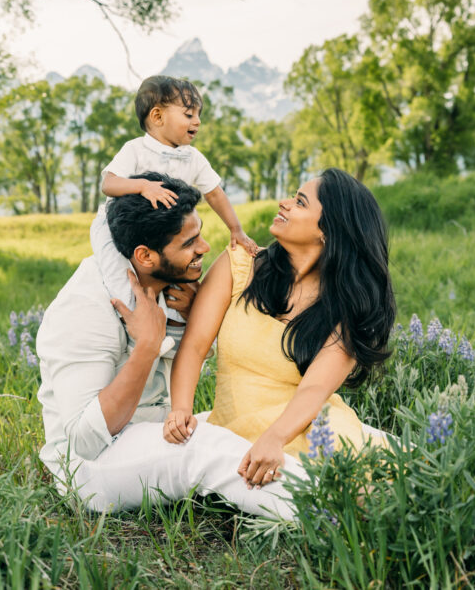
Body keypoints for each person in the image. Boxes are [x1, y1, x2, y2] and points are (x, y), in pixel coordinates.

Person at [35, 172, 300, 518]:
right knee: (202, 449)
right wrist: (147, 346)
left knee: (253, 417)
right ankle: (326, 510)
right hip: (89, 468)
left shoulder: (165, 291)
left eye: (200, 234)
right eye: (189, 243)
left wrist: (193, 323)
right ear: (145, 256)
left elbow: (178, 388)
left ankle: (366, 477)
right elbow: (85, 439)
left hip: (153, 428)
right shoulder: (86, 305)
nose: (204, 247)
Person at [164, 168, 396, 488]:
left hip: (303, 429)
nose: (284, 203)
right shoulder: (240, 264)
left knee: (364, 489)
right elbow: (194, 345)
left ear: (327, 231)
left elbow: (315, 389)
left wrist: (274, 438)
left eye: (299, 202)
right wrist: (180, 409)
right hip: (233, 430)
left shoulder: (347, 306)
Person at [90, 76, 258, 344]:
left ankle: (175, 329)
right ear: (157, 116)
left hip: (165, 237)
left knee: (183, 273)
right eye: (189, 114)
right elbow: (109, 183)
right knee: (118, 272)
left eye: (199, 114)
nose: (198, 121)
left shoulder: (193, 157)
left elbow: (214, 193)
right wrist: (142, 186)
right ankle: (128, 320)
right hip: (116, 229)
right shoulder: (135, 149)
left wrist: (236, 229)